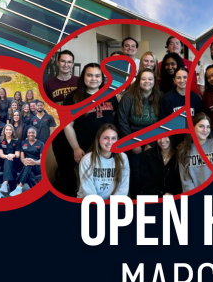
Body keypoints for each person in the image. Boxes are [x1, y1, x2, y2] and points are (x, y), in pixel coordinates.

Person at [62, 63, 118, 197]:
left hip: (108, 147)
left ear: (102, 78)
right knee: (85, 183)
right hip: (84, 147)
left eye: (97, 76)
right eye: (90, 75)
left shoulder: (110, 94)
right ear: (83, 77)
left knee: (106, 180)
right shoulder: (73, 97)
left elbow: (115, 119)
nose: (94, 78)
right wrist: (75, 148)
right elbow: (67, 125)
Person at [118, 68, 162, 197]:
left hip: (154, 139)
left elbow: (164, 122)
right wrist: (133, 143)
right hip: (132, 137)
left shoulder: (160, 96)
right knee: (135, 171)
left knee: (153, 170)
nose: (146, 81)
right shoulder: (129, 96)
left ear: (154, 81)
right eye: (143, 79)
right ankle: (136, 198)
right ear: (138, 80)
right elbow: (122, 121)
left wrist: (153, 143)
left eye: (150, 79)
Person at [177, 112, 213, 192]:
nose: (205, 130)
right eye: (201, 126)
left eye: (208, 127)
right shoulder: (183, 149)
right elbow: (186, 179)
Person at [77, 124, 130, 199]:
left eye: (113, 138)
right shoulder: (87, 160)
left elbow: (123, 187)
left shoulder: (123, 158)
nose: (110, 142)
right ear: (98, 139)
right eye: (106, 138)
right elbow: (89, 192)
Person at [9, 127, 43, 196]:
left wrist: (34, 162)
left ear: (36, 134)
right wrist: (24, 161)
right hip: (26, 165)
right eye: (29, 133)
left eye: (33, 133)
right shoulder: (23, 143)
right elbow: (22, 156)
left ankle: (20, 186)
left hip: (37, 166)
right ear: (27, 134)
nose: (31, 134)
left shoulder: (40, 144)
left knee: (29, 164)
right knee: (30, 173)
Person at [0, 124, 21, 194]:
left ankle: (5, 183)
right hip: (3, 162)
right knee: (13, 171)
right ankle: (13, 191)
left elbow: (17, 155)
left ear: (12, 131)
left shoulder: (16, 141)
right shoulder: (0, 140)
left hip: (14, 162)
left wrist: (12, 155)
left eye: (10, 130)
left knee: (10, 162)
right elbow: (1, 155)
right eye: (7, 129)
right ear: (4, 131)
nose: (8, 131)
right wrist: (8, 156)